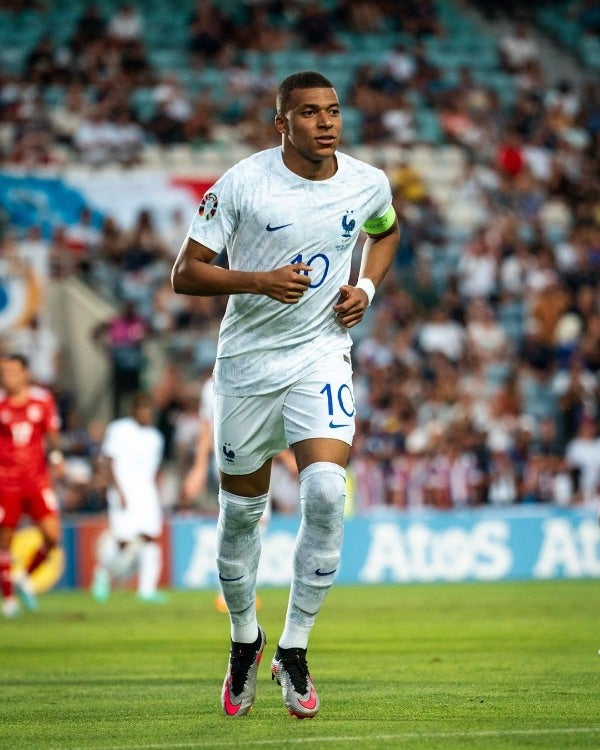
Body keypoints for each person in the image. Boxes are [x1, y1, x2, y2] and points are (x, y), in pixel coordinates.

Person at [171, 70, 399, 719]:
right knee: (242, 515)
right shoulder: (243, 183)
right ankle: (246, 638)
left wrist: (367, 289)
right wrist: (258, 280)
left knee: (326, 491)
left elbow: (385, 232)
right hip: (245, 368)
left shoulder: (366, 182)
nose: (326, 122)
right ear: (282, 123)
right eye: (309, 112)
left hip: (320, 356)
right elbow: (185, 273)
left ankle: (293, 650)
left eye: (332, 110)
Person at [0, 353, 64, 618]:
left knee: (52, 537)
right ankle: (9, 600)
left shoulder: (42, 399)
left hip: (37, 482)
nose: (8, 376)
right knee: (4, 543)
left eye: (13, 371)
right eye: (4, 372)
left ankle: (24, 579)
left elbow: (52, 435)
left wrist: (58, 459)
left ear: (25, 373)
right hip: (6, 484)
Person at [91, 392, 167, 604]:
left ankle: (147, 590)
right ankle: (103, 573)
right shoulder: (119, 429)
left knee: (150, 539)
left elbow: (153, 470)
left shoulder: (155, 438)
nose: (147, 414)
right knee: (123, 542)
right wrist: (117, 491)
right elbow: (108, 461)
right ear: (134, 411)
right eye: (143, 409)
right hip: (123, 492)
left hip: (147, 494)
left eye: (150, 410)